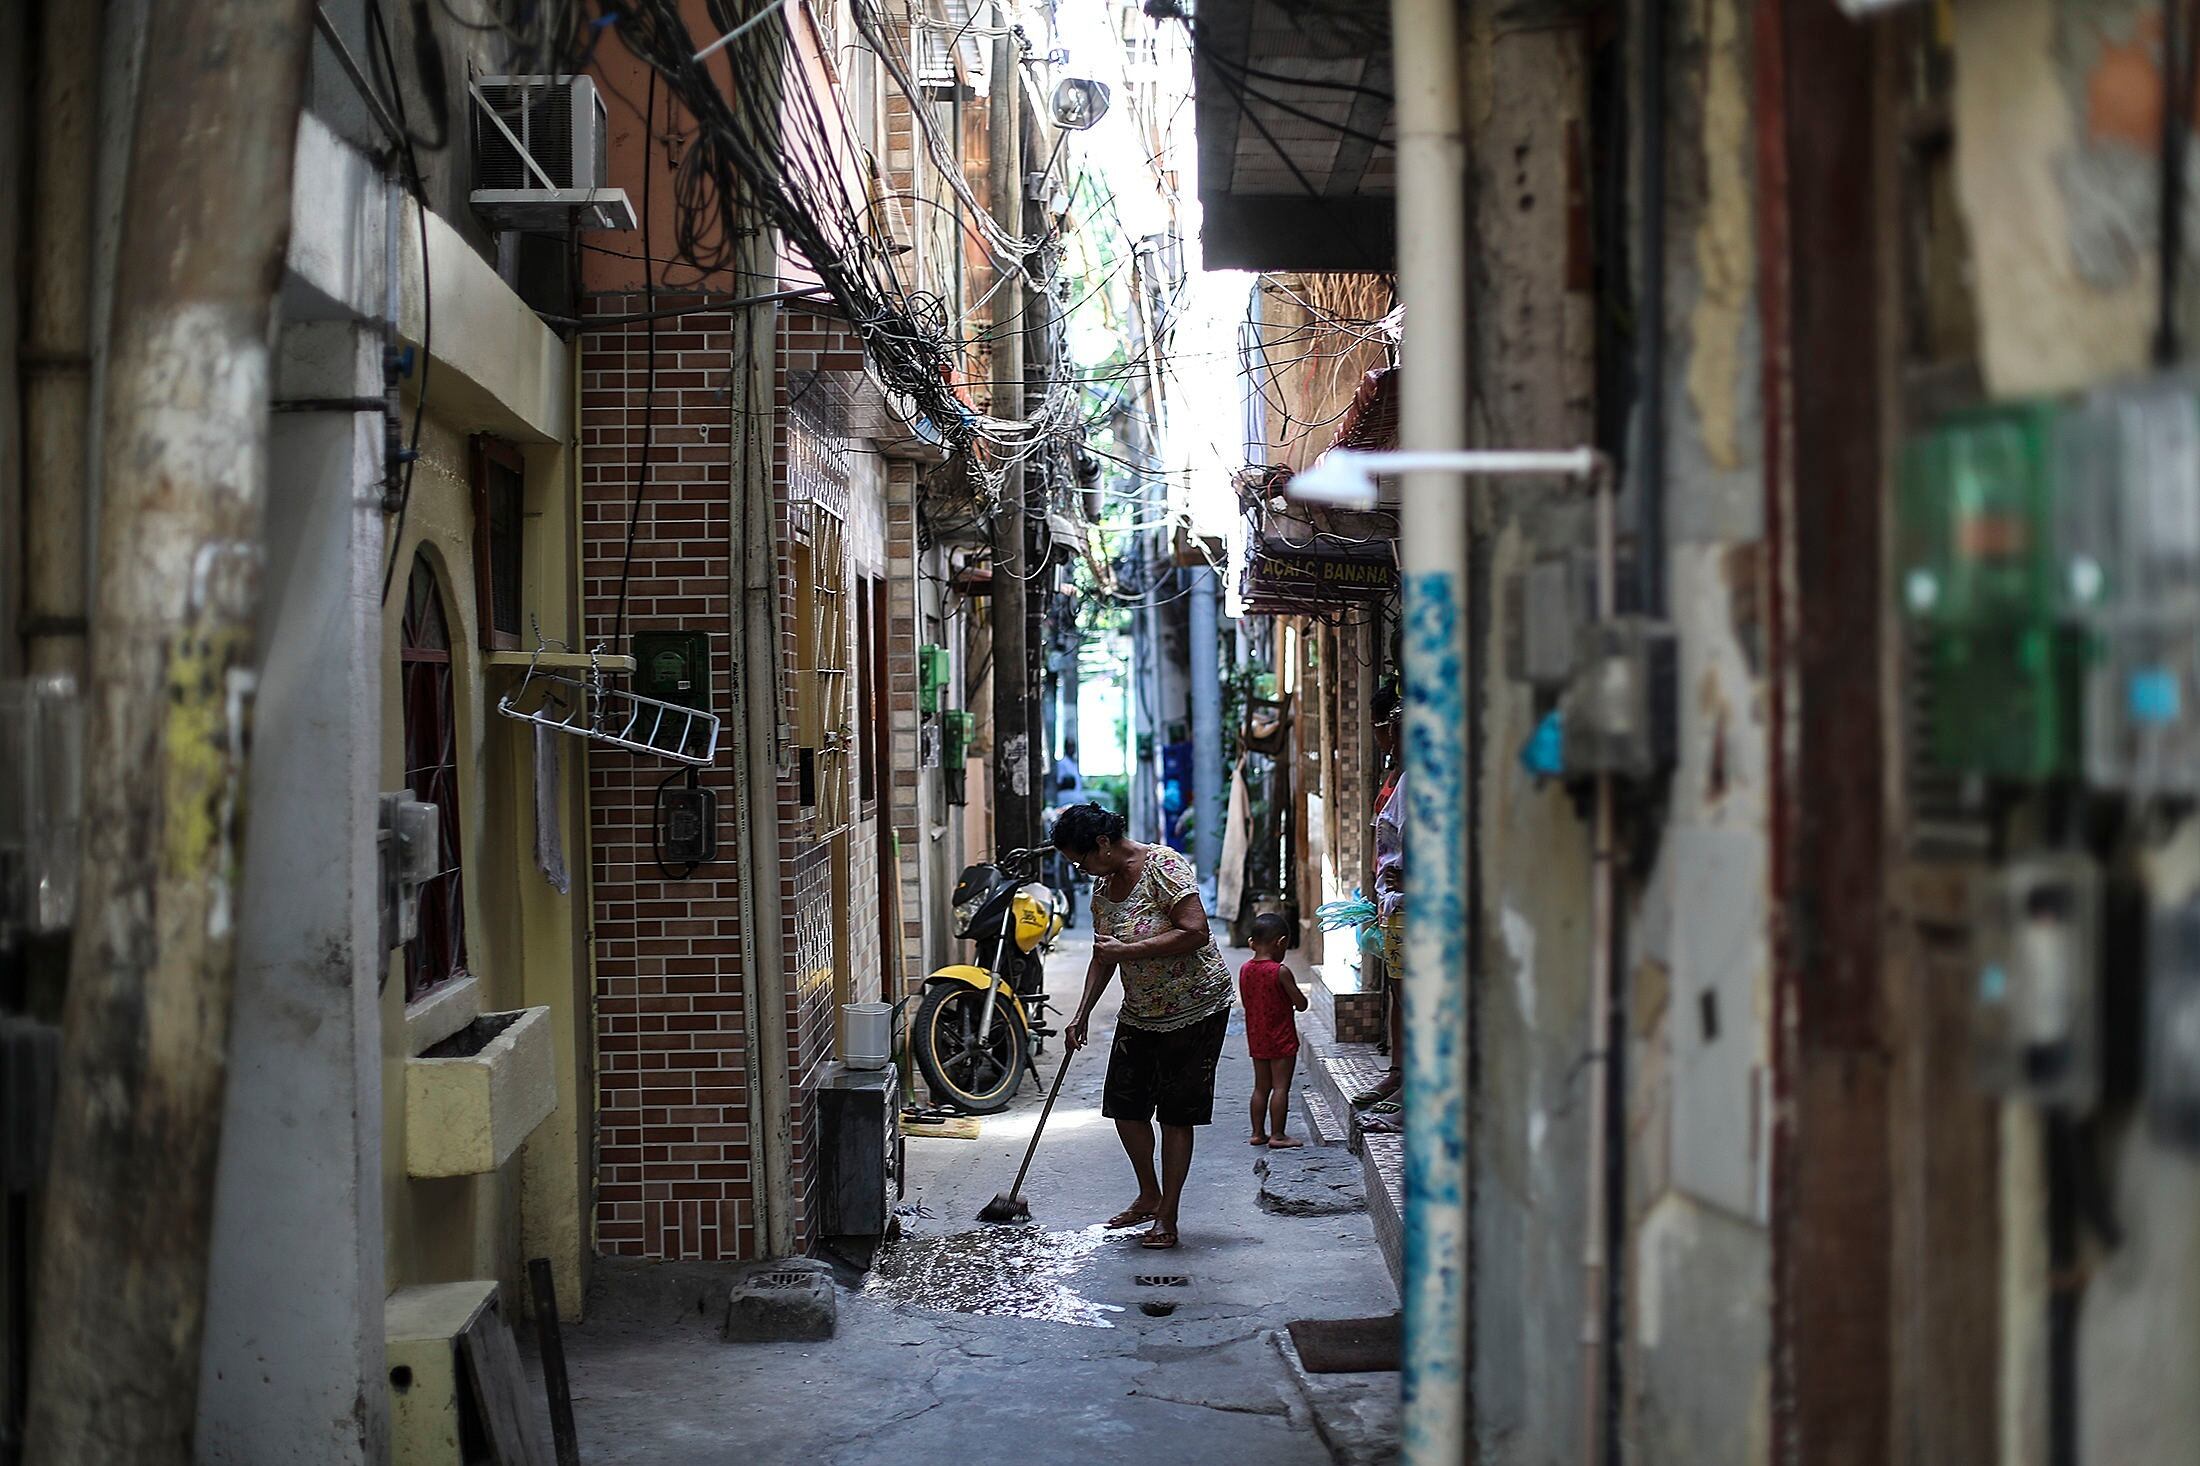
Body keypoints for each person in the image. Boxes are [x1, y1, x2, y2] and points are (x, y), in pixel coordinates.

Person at [1053, 802, 1233, 1251]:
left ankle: (1168, 1214)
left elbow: (1195, 931)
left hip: (1196, 1005)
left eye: (1080, 860)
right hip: (1141, 1010)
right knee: (1125, 1106)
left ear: (1103, 843)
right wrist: (1081, 1014)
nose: (1080, 870)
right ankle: (1149, 1194)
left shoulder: (1163, 866)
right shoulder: (1102, 889)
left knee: (1176, 1113)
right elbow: (1103, 955)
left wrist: (1128, 952)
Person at [1357, 684, 1406, 1127]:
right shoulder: (1402, 779)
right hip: (1396, 906)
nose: (1387, 739)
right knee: (1401, 994)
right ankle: (1400, 1074)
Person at [1239, 911, 1308, 1148]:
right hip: (1282, 1038)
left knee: (1261, 1087)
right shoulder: (1280, 971)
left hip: (1257, 1036)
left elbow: (1247, 1002)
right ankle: (1278, 1135)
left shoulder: (1245, 969)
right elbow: (1301, 1004)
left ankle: (1257, 1133)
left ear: (1251, 943)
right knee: (1280, 1087)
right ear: (1281, 942)